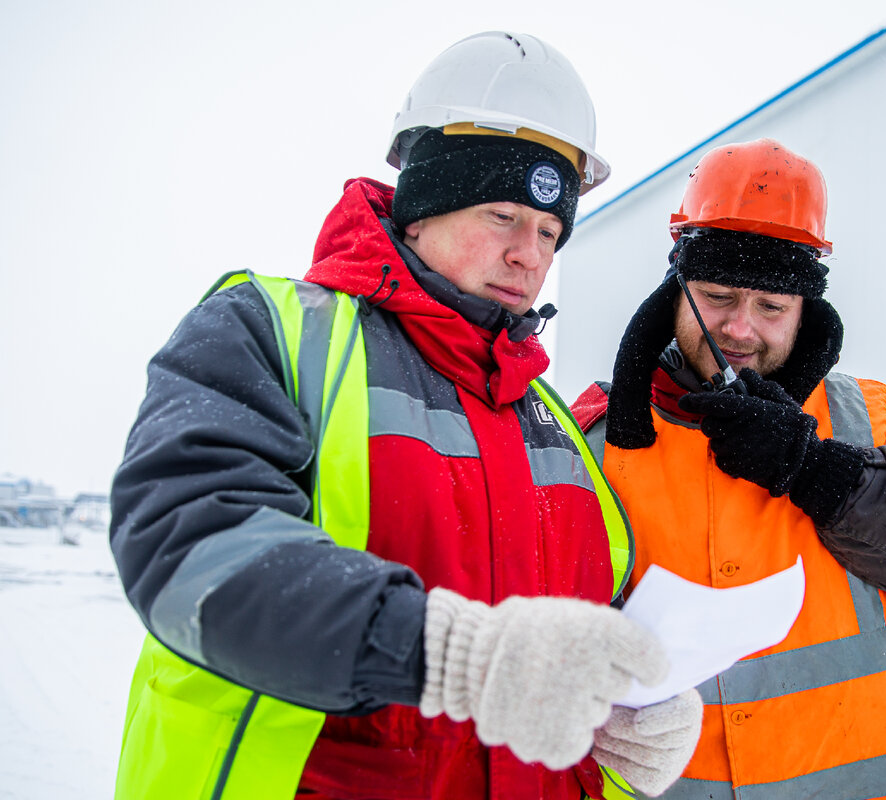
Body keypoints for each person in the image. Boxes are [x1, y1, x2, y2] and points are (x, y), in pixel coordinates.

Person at [109, 31, 701, 800]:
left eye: (551, 231)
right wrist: (447, 653)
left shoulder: (550, 421)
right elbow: (187, 545)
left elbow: (589, 629)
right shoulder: (271, 333)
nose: (532, 254)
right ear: (421, 208)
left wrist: (631, 713)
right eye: (503, 216)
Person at [571, 138, 886, 799]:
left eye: (771, 307)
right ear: (677, 291)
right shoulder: (587, 433)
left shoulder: (878, 418)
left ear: (804, 310)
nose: (740, 329)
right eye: (718, 296)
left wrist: (820, 471)